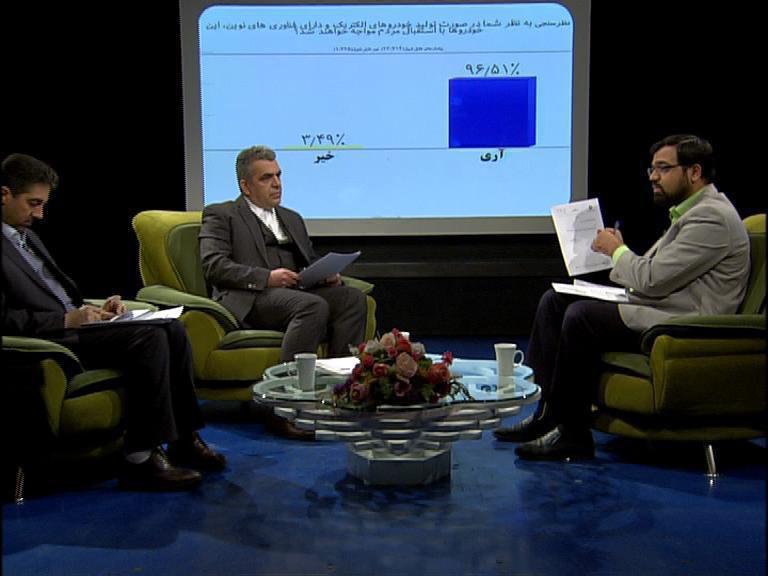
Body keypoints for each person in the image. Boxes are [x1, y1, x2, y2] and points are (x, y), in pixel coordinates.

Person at [494, 134, 750, 460]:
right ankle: (546, 416)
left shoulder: (711, 217)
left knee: (582, 316)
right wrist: (619, 251)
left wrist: (617, 251)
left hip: (686, 325)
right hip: (662, 307)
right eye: (651, 169)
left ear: (694, 172)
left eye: (663, 168)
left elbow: (651, 280)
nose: (653, 177)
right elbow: (657, 276)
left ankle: (573, 432)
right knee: (555, 302)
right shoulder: (691, 213)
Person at [2, 153, 226, 490]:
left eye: (43, 204)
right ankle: (140, 458)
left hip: (75, 326)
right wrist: (65, 319)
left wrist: (95, 309)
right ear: (4, 194)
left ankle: (183, 438)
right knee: (149, 338)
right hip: (48, 342)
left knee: (172, 328)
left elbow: (56, 295)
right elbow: (6, 318)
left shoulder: (26, 236)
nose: (40, 214)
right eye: (33, 203)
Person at [199, 145, 368, 364]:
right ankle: (291, 381)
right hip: (252, 297)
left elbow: (308, 259)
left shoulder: (291, 218)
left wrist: (325, 274)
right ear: (246, 186)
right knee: (311, 305)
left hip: (295, 292)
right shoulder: (222, 214)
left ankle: (340, 377)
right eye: (266, 178)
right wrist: (267, 278)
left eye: (278, 175)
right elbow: (213, 265)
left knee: (352, 299)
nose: (277, 183)